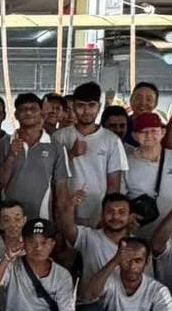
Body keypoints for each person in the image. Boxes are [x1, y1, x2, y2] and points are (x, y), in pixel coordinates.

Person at [54, 82, 126, 225]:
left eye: (91, 105)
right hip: (66, 212)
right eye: (81, 106)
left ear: (99, 107)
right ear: (73, 107)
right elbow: (51, 175)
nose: (86, 111)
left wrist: (107, 216)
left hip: (98, 214)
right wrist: (70, 154)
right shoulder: (59, 137)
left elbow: (113, 184)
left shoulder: (111, 140)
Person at [122, 112, 172, 239]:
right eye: (143, 132)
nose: (149, 135)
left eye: (153, 131)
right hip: (136, 233)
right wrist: (127, 215)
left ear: (163, 133)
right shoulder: (125, 163)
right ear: (135, 136)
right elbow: (119, 196)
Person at [0, 93, 68, 220]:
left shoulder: (56, 147)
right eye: (23, 109)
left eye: (33, 109)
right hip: (10, 220)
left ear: (41, 113)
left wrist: (60, 221)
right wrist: (11, 157)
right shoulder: (4, 144)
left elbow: (61, 189)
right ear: (16, 115)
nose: (28, 113)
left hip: (42, 219)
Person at [56, 190, 136, 304]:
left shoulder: (138, 245)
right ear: (102, 214)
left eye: (122, 212)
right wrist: (70, 205)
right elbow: (67, 228)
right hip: (92, 305)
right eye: (110, 211)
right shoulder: (89, 236)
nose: (115, 216)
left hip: (126, 306)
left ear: (130, 217)